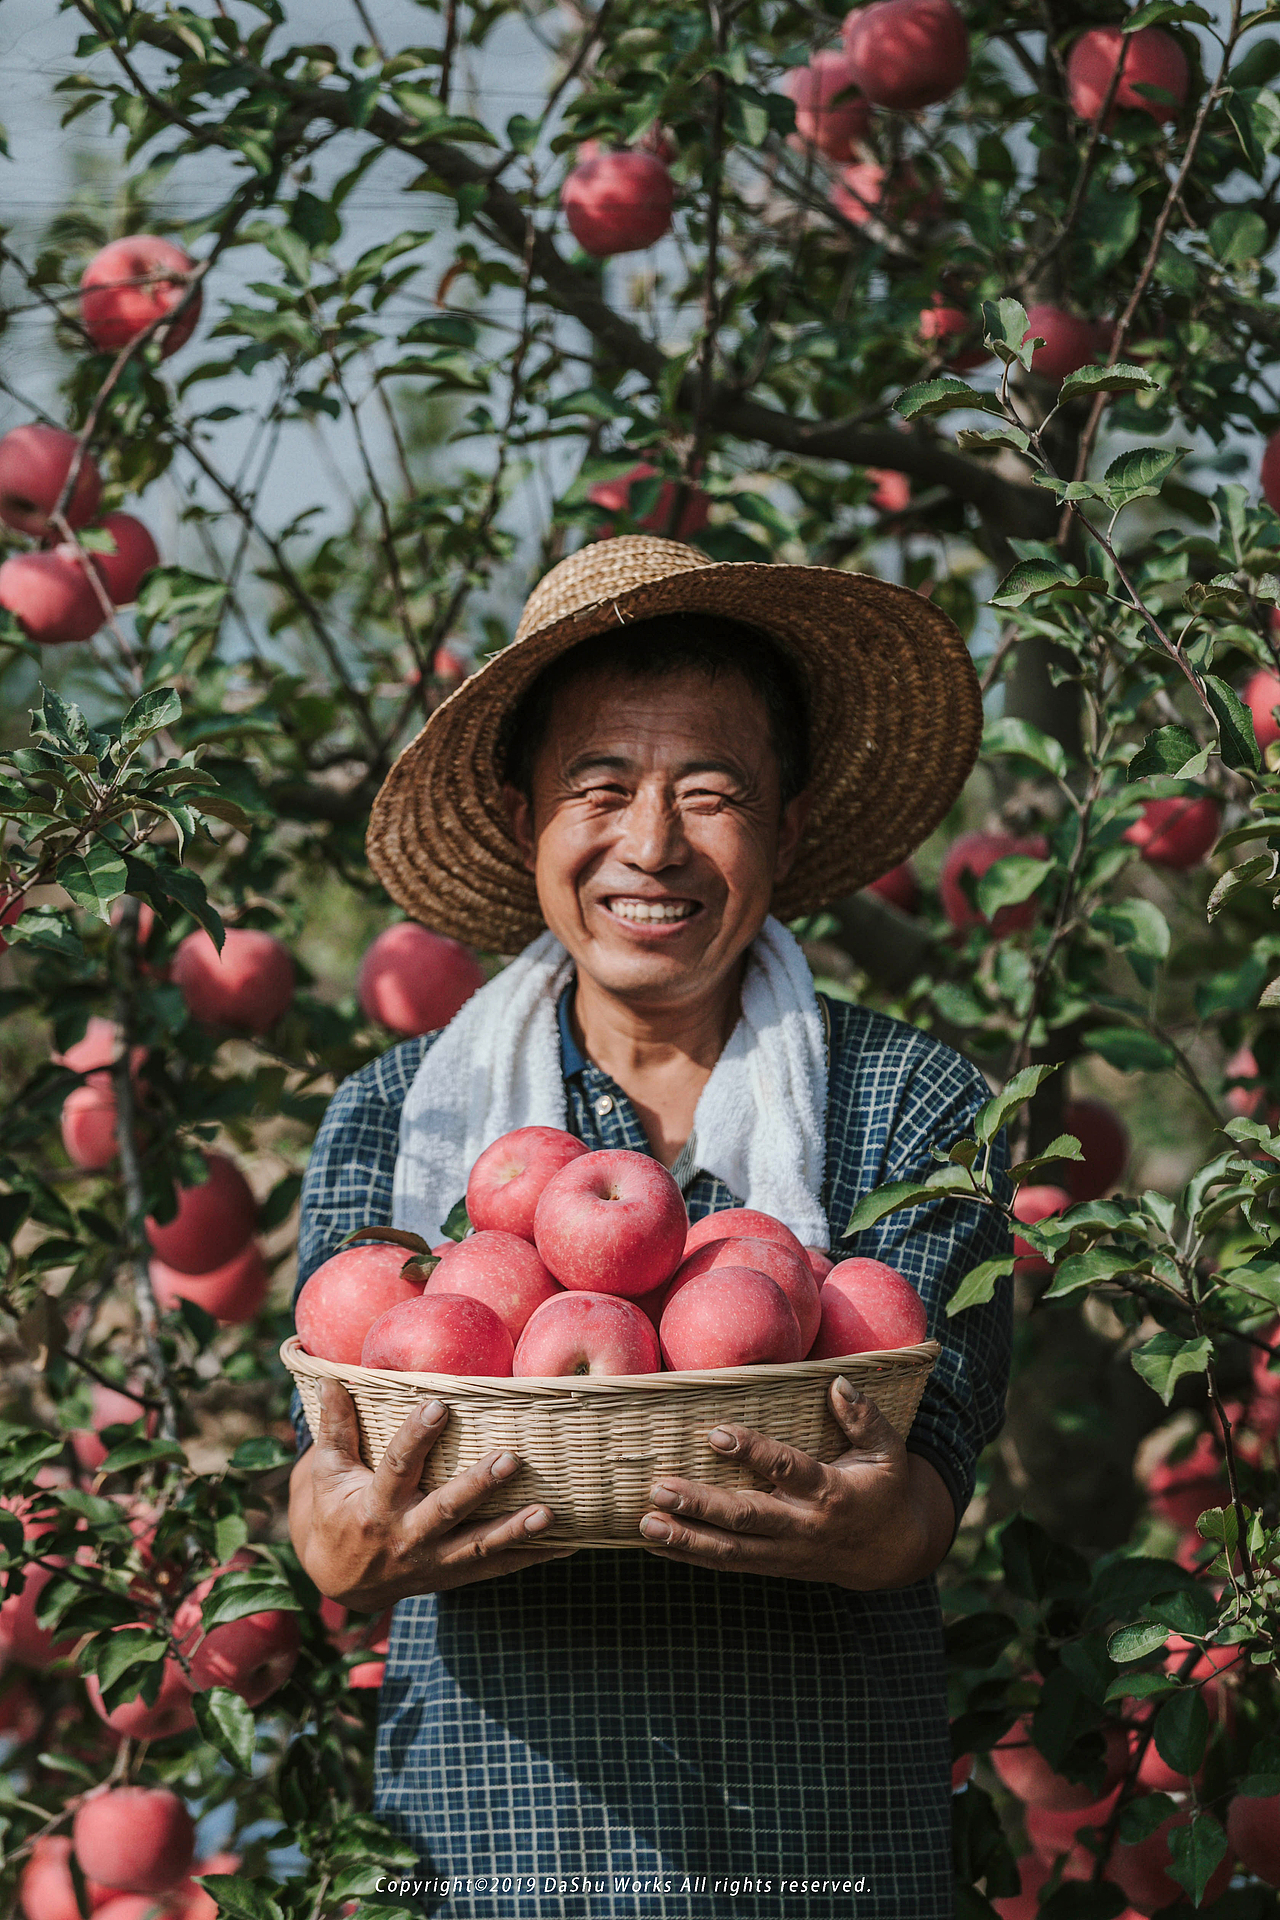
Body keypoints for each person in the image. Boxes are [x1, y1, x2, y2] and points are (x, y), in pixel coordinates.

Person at [288, 534, 1013, 1920]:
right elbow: (322, 1495)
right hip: (495, 1845)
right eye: (601, 789)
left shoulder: (911, 1104)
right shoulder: (402, 1116)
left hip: (820, 1844)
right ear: (525, 825)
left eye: (712, 794)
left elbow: (925, 1495)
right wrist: (341, 1541)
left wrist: (876, 1526)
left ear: (788, 833)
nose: (653, 845)